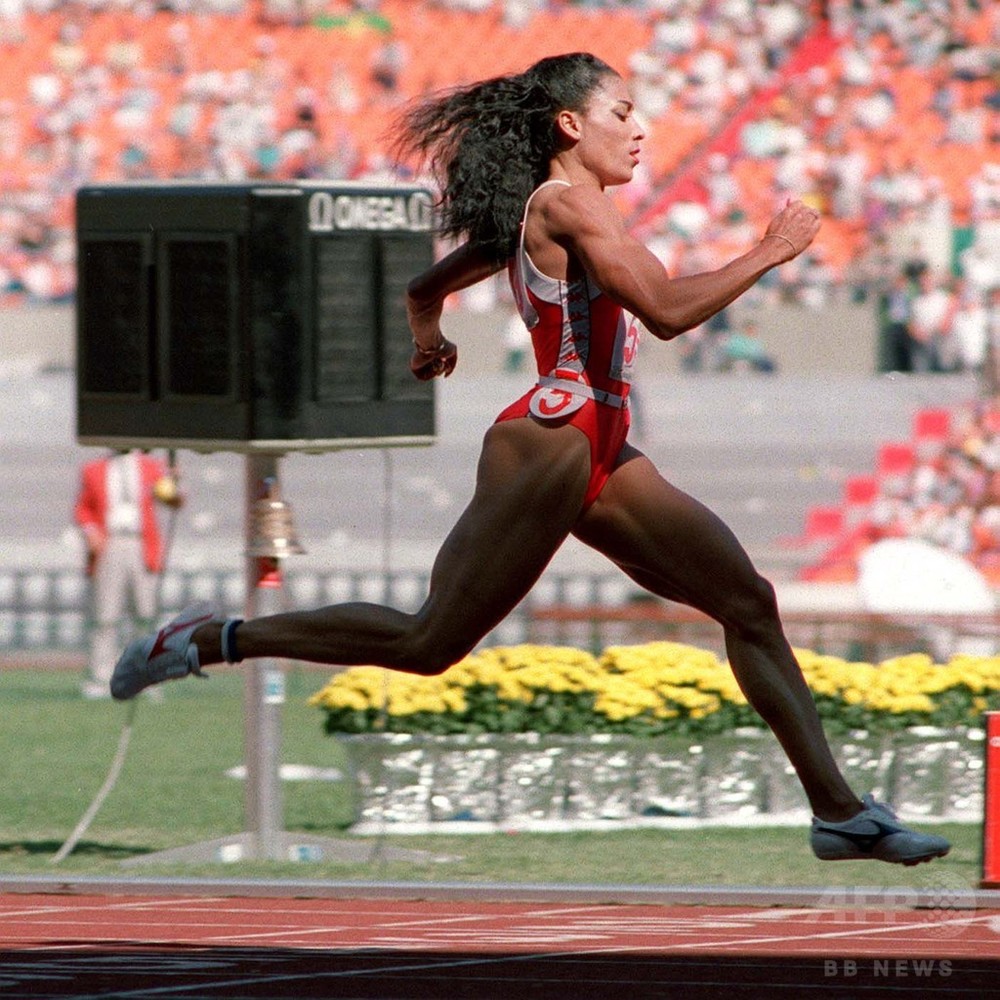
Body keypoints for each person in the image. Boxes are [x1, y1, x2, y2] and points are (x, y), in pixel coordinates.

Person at [111, 53, 949, 866]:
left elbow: (422, 287)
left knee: (750, 603)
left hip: (606, 446)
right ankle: (214, 637)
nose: (643, 130)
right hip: (555, 437)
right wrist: (772, 249)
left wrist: (427, 341)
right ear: (571, 123)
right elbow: (661, 311)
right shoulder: (571, 207)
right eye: (624, 113)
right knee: (429, 642)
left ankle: (838, 813)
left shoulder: (543, 214)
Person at [74, 449, 182, 699]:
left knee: (145, 613)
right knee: (105, 614)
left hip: (141, 543)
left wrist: (176, 483)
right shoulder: (93, 469)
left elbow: (172, 500)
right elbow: (83, 508)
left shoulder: (151, 468)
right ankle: (101, 678)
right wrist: (90, 532)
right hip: (110, 542)